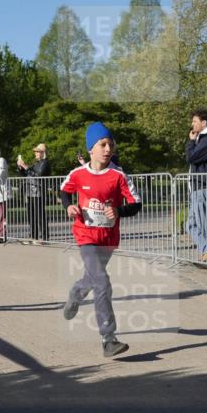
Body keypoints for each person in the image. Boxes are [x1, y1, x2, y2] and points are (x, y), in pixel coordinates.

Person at [60, 122, 142, 358]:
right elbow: (64, 191)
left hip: (108, 238)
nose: (108, 149)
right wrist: (69, 207)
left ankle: (75, 294)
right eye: (102, 144)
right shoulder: (78, 174)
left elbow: (136, 203)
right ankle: (109, 339)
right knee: (102, 282)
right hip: (85, 235)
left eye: (110, 145)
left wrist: (119, 211)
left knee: (92, 279)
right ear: (90, 149)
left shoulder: (118, 176)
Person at [185, 109, 207, 262]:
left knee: (201, 222)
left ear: (204, 123)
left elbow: (191, 157)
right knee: (191, 224)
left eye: (195, 121)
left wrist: (191, 142)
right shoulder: (203, 139)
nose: (192, 124)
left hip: (204, 187)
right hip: (198, 187)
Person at [17, 142, 52, 243]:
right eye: (35, 151)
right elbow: (27, 174)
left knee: (40, 215)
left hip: (38, 192)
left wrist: (26, 167)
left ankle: (45, 238)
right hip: (30, 192)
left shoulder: (45, 163)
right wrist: (21, 167)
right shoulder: (36, 162)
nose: (36, 153)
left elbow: (38, 176)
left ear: (43, 153)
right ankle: (34, 236)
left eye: (38, 151)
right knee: (31, 215)